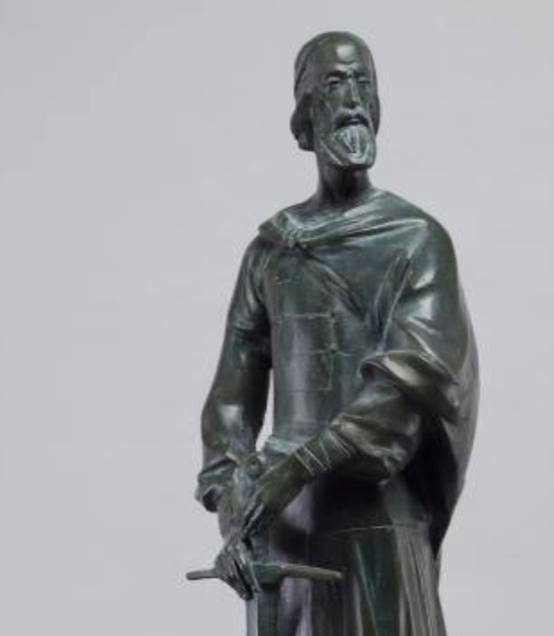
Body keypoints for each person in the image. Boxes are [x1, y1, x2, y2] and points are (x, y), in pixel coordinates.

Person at [195, 31, 479, 636]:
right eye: (333, 84)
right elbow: (231, 396)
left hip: (377, 517)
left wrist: (299, 466)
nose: (352, 99)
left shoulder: (415, 240)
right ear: (305, 115)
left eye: (362, 84)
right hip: (287, 528)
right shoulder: (271, 251)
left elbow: (412, 383)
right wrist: (231, 499)